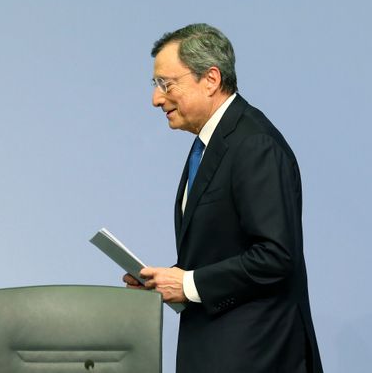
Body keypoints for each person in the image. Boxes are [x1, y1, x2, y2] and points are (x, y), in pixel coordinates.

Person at [123, 23, 324, 373]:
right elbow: (225, 251)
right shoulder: (211, 142)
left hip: (257, 355)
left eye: (166, 84)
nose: (156, 98)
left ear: (211, 79)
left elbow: (276, 255)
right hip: (220, 350)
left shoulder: (253, 144)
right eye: (156, 85)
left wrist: (188, 283)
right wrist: (170, 281)